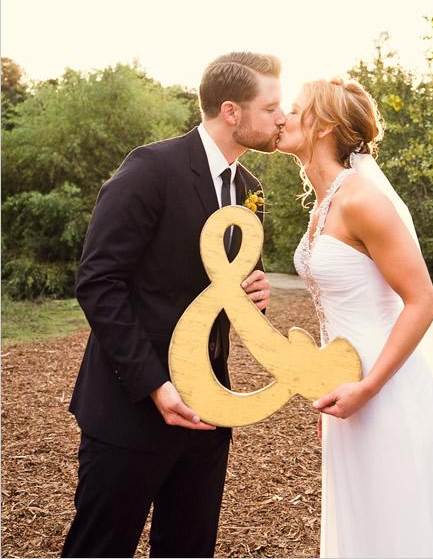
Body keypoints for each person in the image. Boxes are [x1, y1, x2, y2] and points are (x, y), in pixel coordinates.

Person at [62, 52, 286, 558]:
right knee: (100, 548)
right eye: (271, 107)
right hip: (131, 409)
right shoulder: (151, 168)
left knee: (188, 549)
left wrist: (254, 298)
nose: (282, 117)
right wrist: (154, 385)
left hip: (209, 411)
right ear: (231, 111)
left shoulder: (250, 189)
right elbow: (98, 281)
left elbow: (223, 291)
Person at [276, 77, 433, 558]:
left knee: (398, 533)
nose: (283, 117)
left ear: (324, 126)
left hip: (388, 393)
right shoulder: (323, 207)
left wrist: (369, 387)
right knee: (364, 529)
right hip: (346, 392)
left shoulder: (362, 200)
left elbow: (422, 301)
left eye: (295, 109)